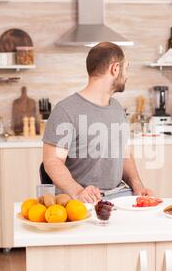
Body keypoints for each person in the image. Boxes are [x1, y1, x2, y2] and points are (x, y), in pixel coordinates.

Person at [42, 42, 153, 203]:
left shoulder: (117, 108)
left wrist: (138, 186)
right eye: (126, 68)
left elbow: (123, 153)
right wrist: (79, 192)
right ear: (115, 69)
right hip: (80, 201)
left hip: (119, 195)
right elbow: (53, 161)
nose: (127, 75)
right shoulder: (66, 110)